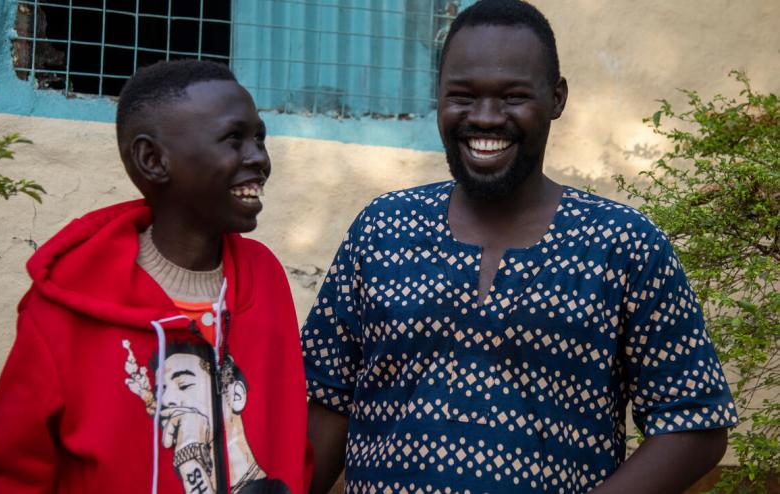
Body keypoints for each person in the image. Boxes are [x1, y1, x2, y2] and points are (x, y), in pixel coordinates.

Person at [301, 1, 738, 493]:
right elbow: (325, 399)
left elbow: (695, 423)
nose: (485, 118)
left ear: (556, 98)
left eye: (513, 97)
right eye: (462, 96)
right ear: (439, 97)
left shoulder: (624, 245)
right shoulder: (382, 230)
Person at [0, 60, 311, 494]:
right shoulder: (63, 307)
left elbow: (287, 436)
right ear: (153, 159)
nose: (259, 158)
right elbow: (10, 478)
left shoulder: (264, 279)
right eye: (234, 138)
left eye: (260, 138)